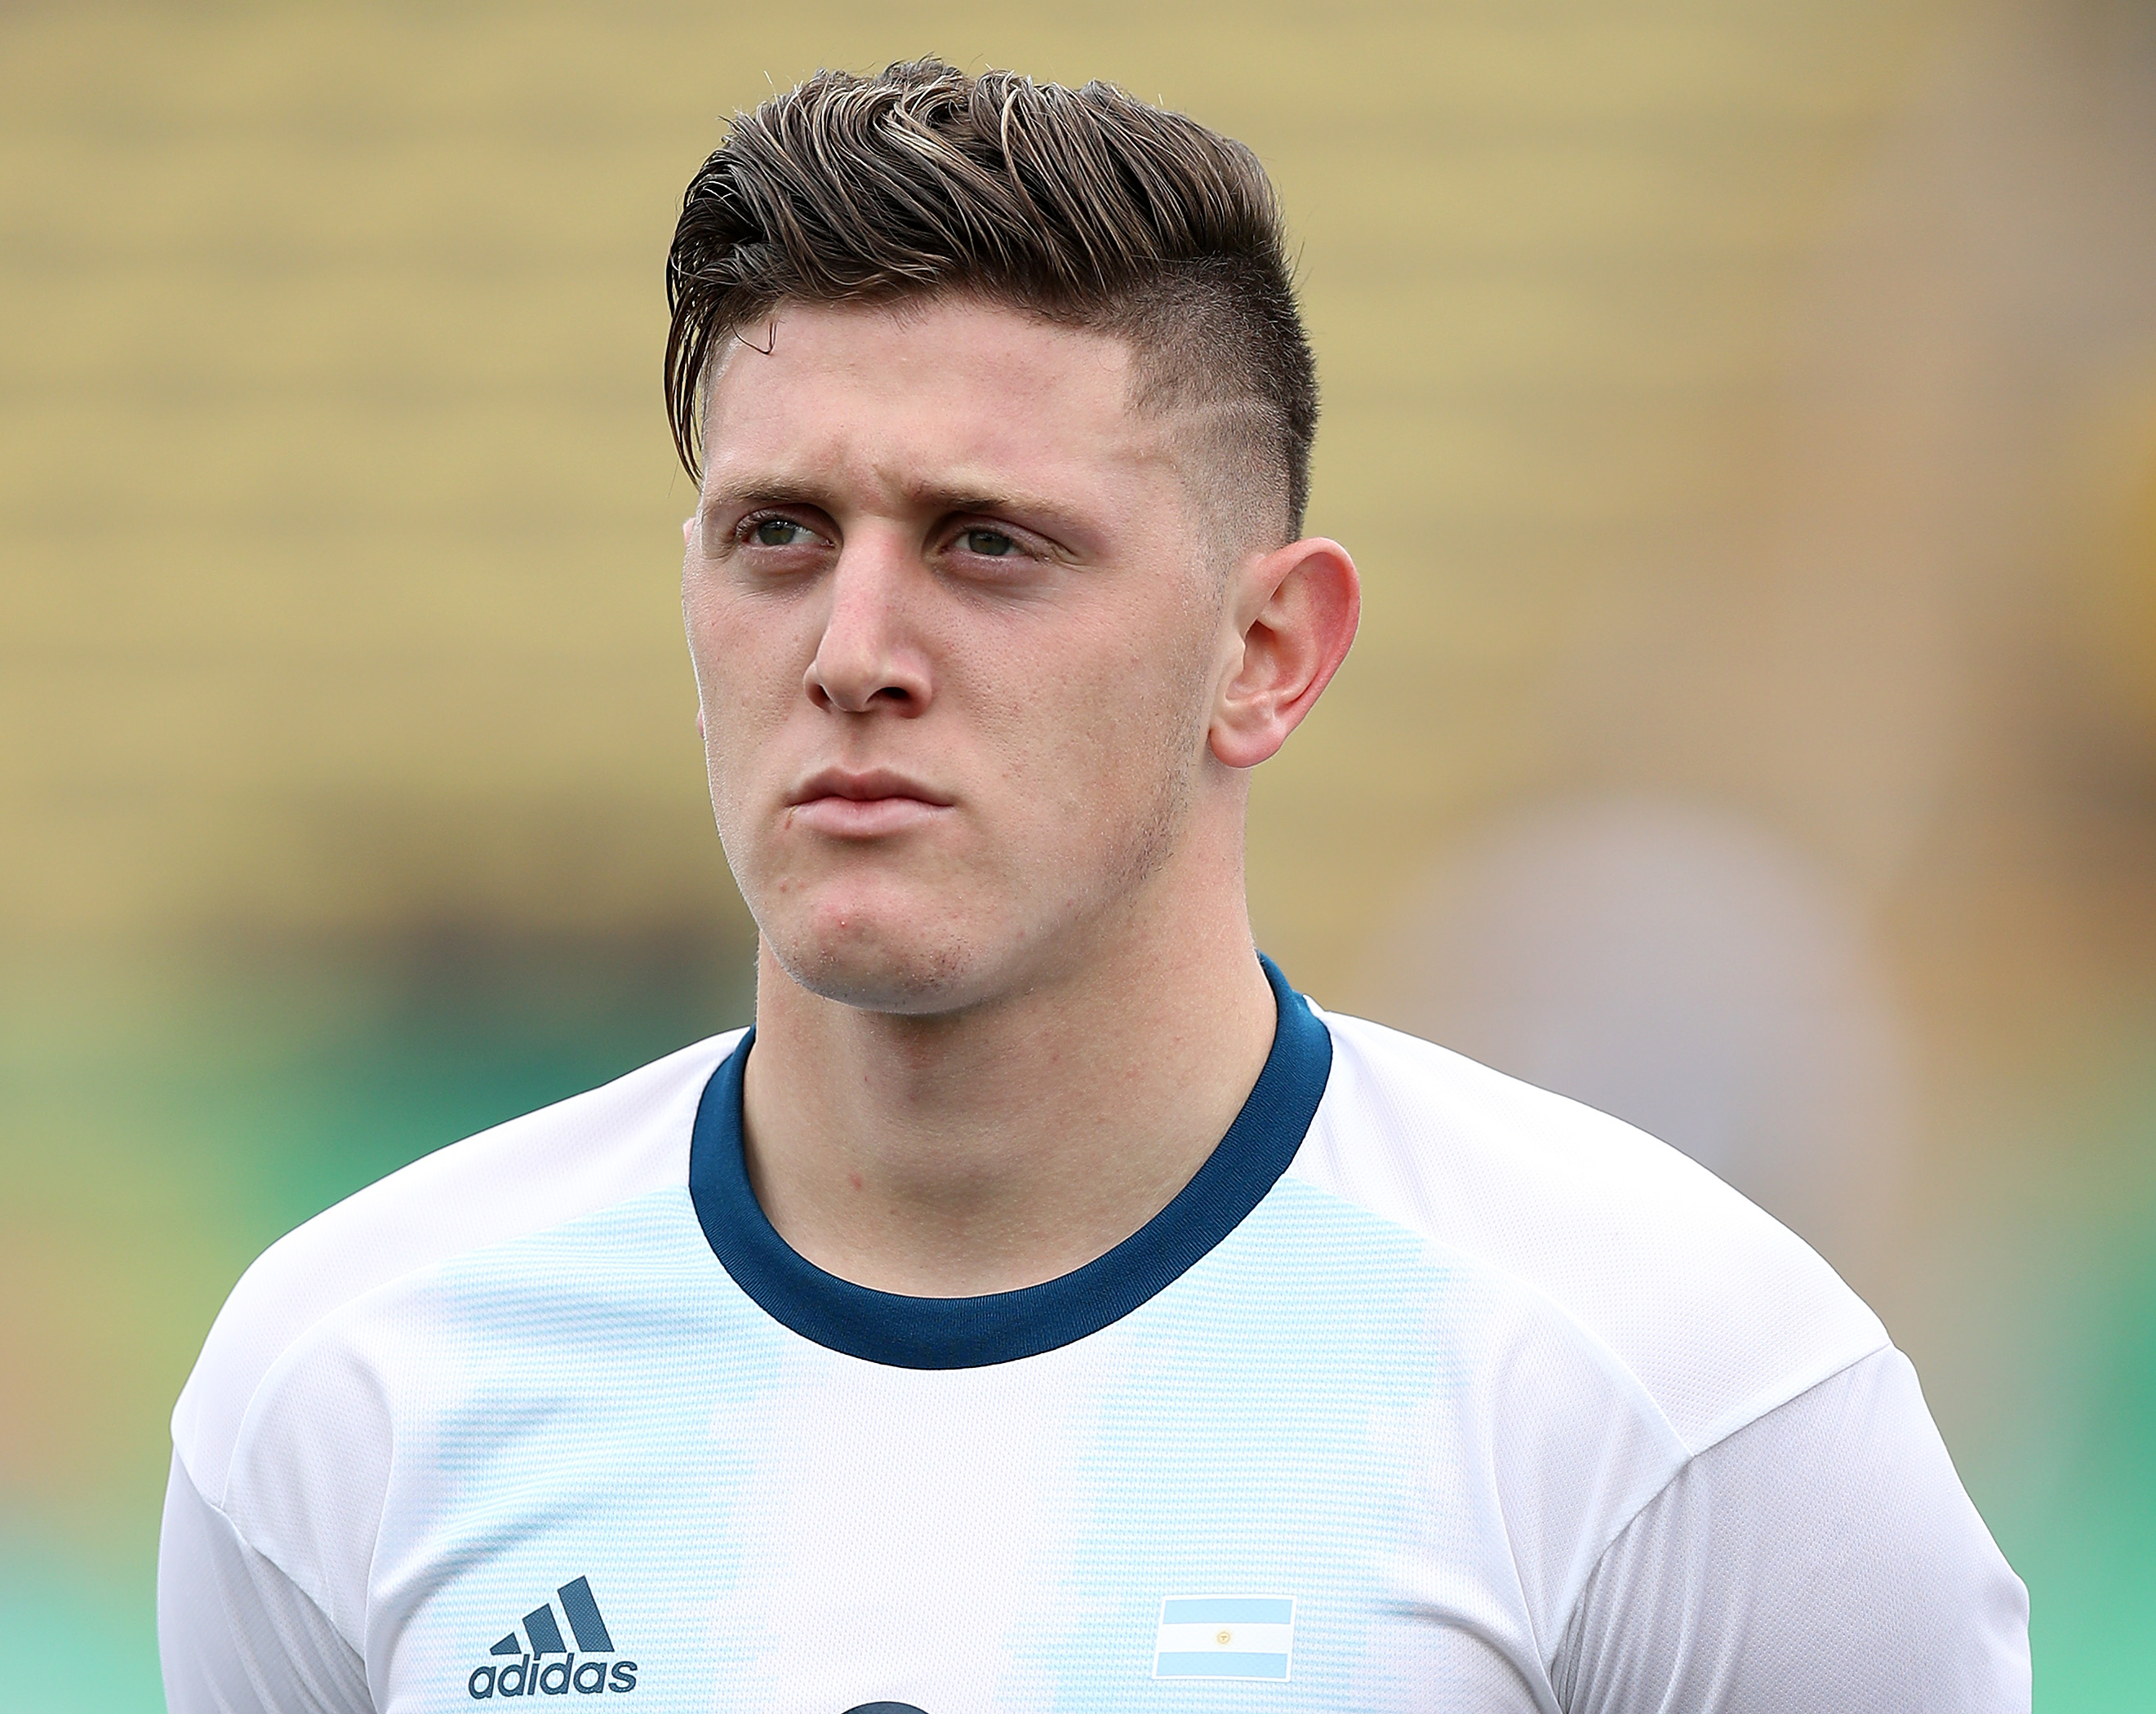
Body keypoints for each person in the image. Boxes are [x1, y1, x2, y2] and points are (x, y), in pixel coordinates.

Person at [158, 59, 2029, 1712]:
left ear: (1269, 650)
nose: (852, 648)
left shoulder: (1675, 1396)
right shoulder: (353, 1382)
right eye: (778, 536)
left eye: (989, 543)